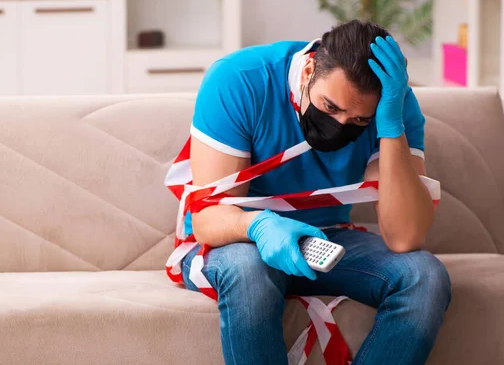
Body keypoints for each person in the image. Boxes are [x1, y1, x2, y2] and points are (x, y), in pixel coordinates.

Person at [179, 20, 452, 365]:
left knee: (424, 276)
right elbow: (206, 219)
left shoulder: (393, 103)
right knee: (247, 270)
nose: (339, 124)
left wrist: (389, 125)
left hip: (325, 239)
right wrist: (260, 226)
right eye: (330, 107)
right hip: (239, 240)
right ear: (309, 69)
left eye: (358, 121)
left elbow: (404, 237)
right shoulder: (240, 79)